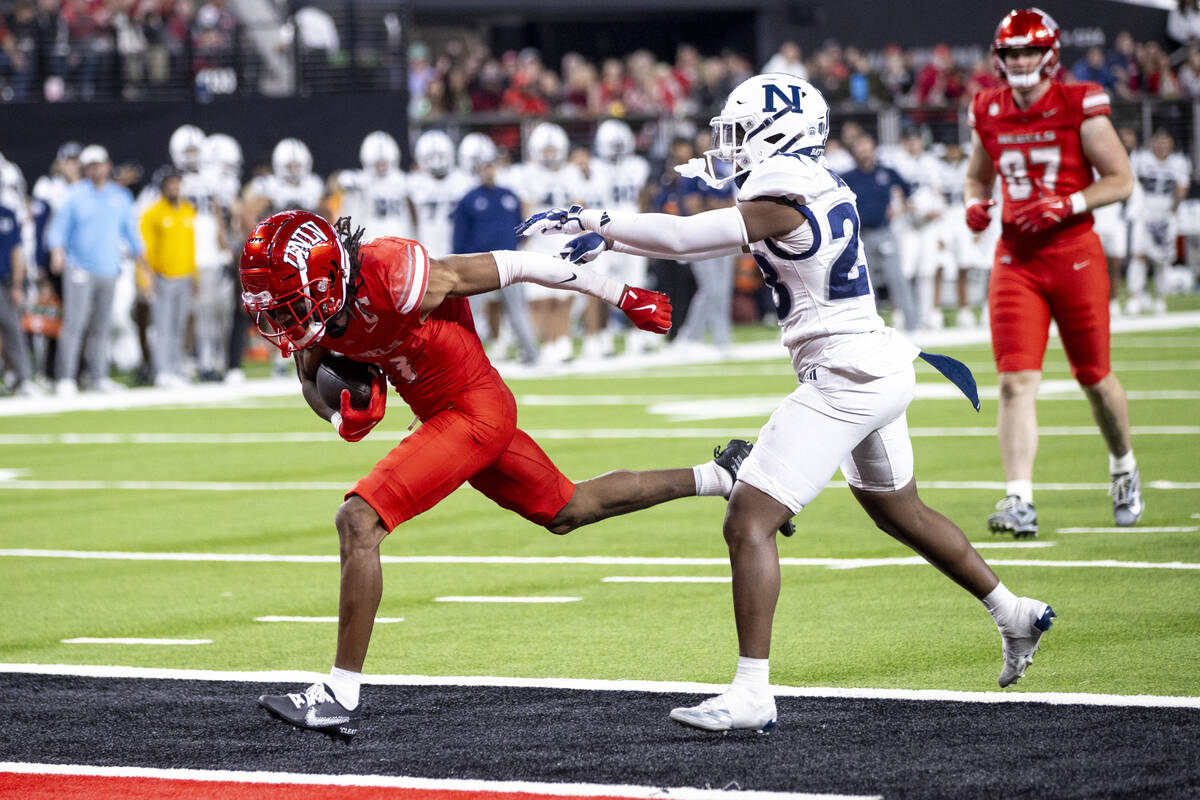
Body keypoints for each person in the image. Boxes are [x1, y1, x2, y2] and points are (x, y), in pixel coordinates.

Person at [520, 72, 1055, 733]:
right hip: (874, 362)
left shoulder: (786, 191)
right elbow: (710, 205)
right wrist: (616, 233)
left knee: (747, 519)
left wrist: (597, 221)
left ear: (780, 132)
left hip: (843, 376)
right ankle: (1013, 611)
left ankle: (752, 692)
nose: (732, 145)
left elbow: (691, 238)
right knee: (900, 512)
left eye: (741, 132)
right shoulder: (814, 180)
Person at [246, 209, 744, 739]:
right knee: (567, 509)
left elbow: (520, 264)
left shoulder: (392, 273)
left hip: (474, 409)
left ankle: (338, 695)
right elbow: (309, 379)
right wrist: (341, 415)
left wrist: (623, 297)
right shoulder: (317, 317)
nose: (285, 319)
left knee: (359, 520)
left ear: (325, 275)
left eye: (289, 302)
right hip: (446, 416)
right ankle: (722, 474)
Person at [963, 8, 1142, 537]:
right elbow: (977, 178)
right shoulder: (987, 108)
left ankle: (1123, 466)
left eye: (1027, 51)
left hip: (1074, 254)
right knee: (1015, 381)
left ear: (1049, 54)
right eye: (1011, 52)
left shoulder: (1078, 103)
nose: (1019, 61)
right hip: (1017, 259)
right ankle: (1019, 498)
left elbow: (1121, 179)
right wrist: (975, 204)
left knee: (1095, 378)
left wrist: (1067, 204)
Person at [46, 144, 147, 394]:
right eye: (90, 166)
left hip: (109, 268)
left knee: (102, 326)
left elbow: (132, 234)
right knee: (75, 323)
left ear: (108, 165)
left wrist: (144, 263)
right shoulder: (74, 195)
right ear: (85, 169)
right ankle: (66, 378)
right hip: (79, 268)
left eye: (98, 164)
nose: (95, 170)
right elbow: (58, 229)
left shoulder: (120, 196)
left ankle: (99, 376)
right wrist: (57, 252)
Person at [453, 132, 540, 365]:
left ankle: (532, 354)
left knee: (517, 310)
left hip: (509, 262)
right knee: (469, 314)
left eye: (492, 166)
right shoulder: (469, 199)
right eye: (485, 167)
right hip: (479, 263)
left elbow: (522, 228)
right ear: (479, 169)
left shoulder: (509, 195)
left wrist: (515, 248)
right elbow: (459, 237)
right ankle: (464, 359)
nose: (489, 171)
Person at [840, 134, 917, 330]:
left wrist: (900, 207)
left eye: (867, 146)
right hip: (860, 236)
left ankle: (913, 325)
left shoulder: (886, 172)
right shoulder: (848, 177)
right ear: (854, 152)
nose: (864, 151)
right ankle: (869, 327)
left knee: (897, 278)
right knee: (866, 283)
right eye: (860, 147)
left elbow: (909, 190)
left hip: (885, 232)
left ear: (874, 149)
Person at [139, 168, 195, 387]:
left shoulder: (187, 210)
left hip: (185, 277)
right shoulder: (152, 213)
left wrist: (195, 276)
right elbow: (145, 251)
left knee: (179, 326)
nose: (174, 187)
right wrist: (145, 280)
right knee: (163, 326)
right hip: (162, 277)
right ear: (162, 186)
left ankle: (174, 368)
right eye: (170, 184)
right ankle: (162, 370)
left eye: (177, 183)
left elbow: (192, 246)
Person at [1127, 128, 1190, 315]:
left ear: (1171, 143)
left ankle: (1160, 299)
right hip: (1144, 213)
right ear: (1152, 142)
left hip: (1166, 215)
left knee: (1164, 260)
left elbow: (1181, 188)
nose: (1162, 145)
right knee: (1138, 256)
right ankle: (1134, 298)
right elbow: (1131, 182)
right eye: (1158, 140)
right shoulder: (1140, 158)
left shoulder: (1179, 162)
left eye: (1165, 141)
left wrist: (1171, 212)